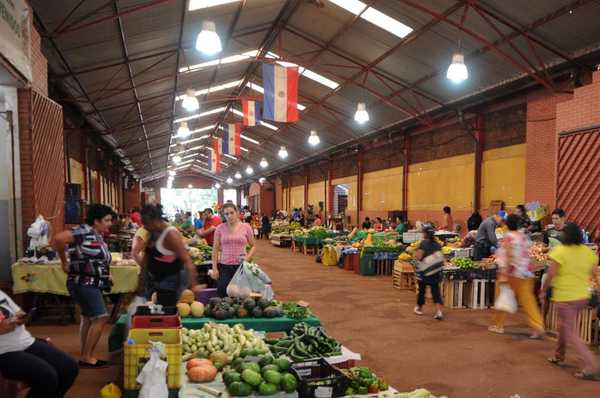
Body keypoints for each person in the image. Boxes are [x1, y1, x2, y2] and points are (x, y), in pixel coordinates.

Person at [52, 204, 115, 368]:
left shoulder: (96, 234)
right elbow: (59, 239)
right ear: (96, 220)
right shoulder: (84, 231)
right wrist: (64, 262)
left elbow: (96, 258)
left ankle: (85, 353)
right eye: (107, 220)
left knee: (88, 317)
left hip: (90, 282)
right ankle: (87, 356)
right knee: (101, 317)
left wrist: (107, 274)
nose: (110, 224)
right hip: (84, 283)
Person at [540, 222, 600, 379]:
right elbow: (595, 275)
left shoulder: (560, 251)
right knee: (564, 326)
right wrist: (598, 291)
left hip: (565, 298)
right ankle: (559, 355)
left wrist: (543, 290)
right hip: (582, 297)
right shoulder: (587, 252)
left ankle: (591, 365)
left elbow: (551, 274)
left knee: (570, 332)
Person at [0, 289, 79, 397]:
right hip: (3, 351)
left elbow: (18, 312)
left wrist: (20, 317)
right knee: (47, 376)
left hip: (25, 342)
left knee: (69, 367)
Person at [489, 215, 545, 338]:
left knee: (503, 298)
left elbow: (509, 255)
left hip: (512, 273)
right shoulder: (523, 236)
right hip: (527, 273)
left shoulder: (509, 237)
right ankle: (538, 326)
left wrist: (505, 272)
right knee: (528, 301)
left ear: (507, 225)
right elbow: (529, 254)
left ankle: (498, 325)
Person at [140, 205, 198, 304]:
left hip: (170, 283)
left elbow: (187, 260)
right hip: (154, 281)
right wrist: (141, 280)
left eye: (146, 223)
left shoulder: (171, 234)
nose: (145, 226)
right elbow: (147, 256)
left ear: (156, 220)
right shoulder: (153, 231)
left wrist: (193, 286)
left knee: (166, 312)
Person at [211, 203, 257, 297]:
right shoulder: (220, 228)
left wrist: (247, 258)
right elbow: (215, 249)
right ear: (223, 215)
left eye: (232, 213)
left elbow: (253, 246)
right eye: (226, 214)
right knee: (223, 292)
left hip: (241, 267)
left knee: (242, 295)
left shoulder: (246, 227)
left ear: (237, 212)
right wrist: (214, 268)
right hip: (225, 266)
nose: (229, 216)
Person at [413, 225, 445, 320]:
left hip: (424, 271)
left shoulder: (423, 243)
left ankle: (419, 308)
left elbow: (419, 257)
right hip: (435, 272)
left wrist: (414, 256)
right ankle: (439, 312)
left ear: (425, 234)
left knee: (421, 291)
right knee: (436, 292)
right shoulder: (438, 244)